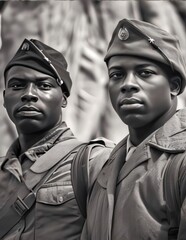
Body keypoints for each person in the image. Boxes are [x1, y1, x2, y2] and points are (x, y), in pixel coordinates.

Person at [82, 19, 186, 240]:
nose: (128, 84)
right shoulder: (102, 171)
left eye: (145, 73)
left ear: (174, 86)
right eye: (116, 75)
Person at [0, 38, 114, 239]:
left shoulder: (94, 162)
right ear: (4, 98)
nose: (29, 95)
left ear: (63, 99)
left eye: (43, 85)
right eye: (17, 86)